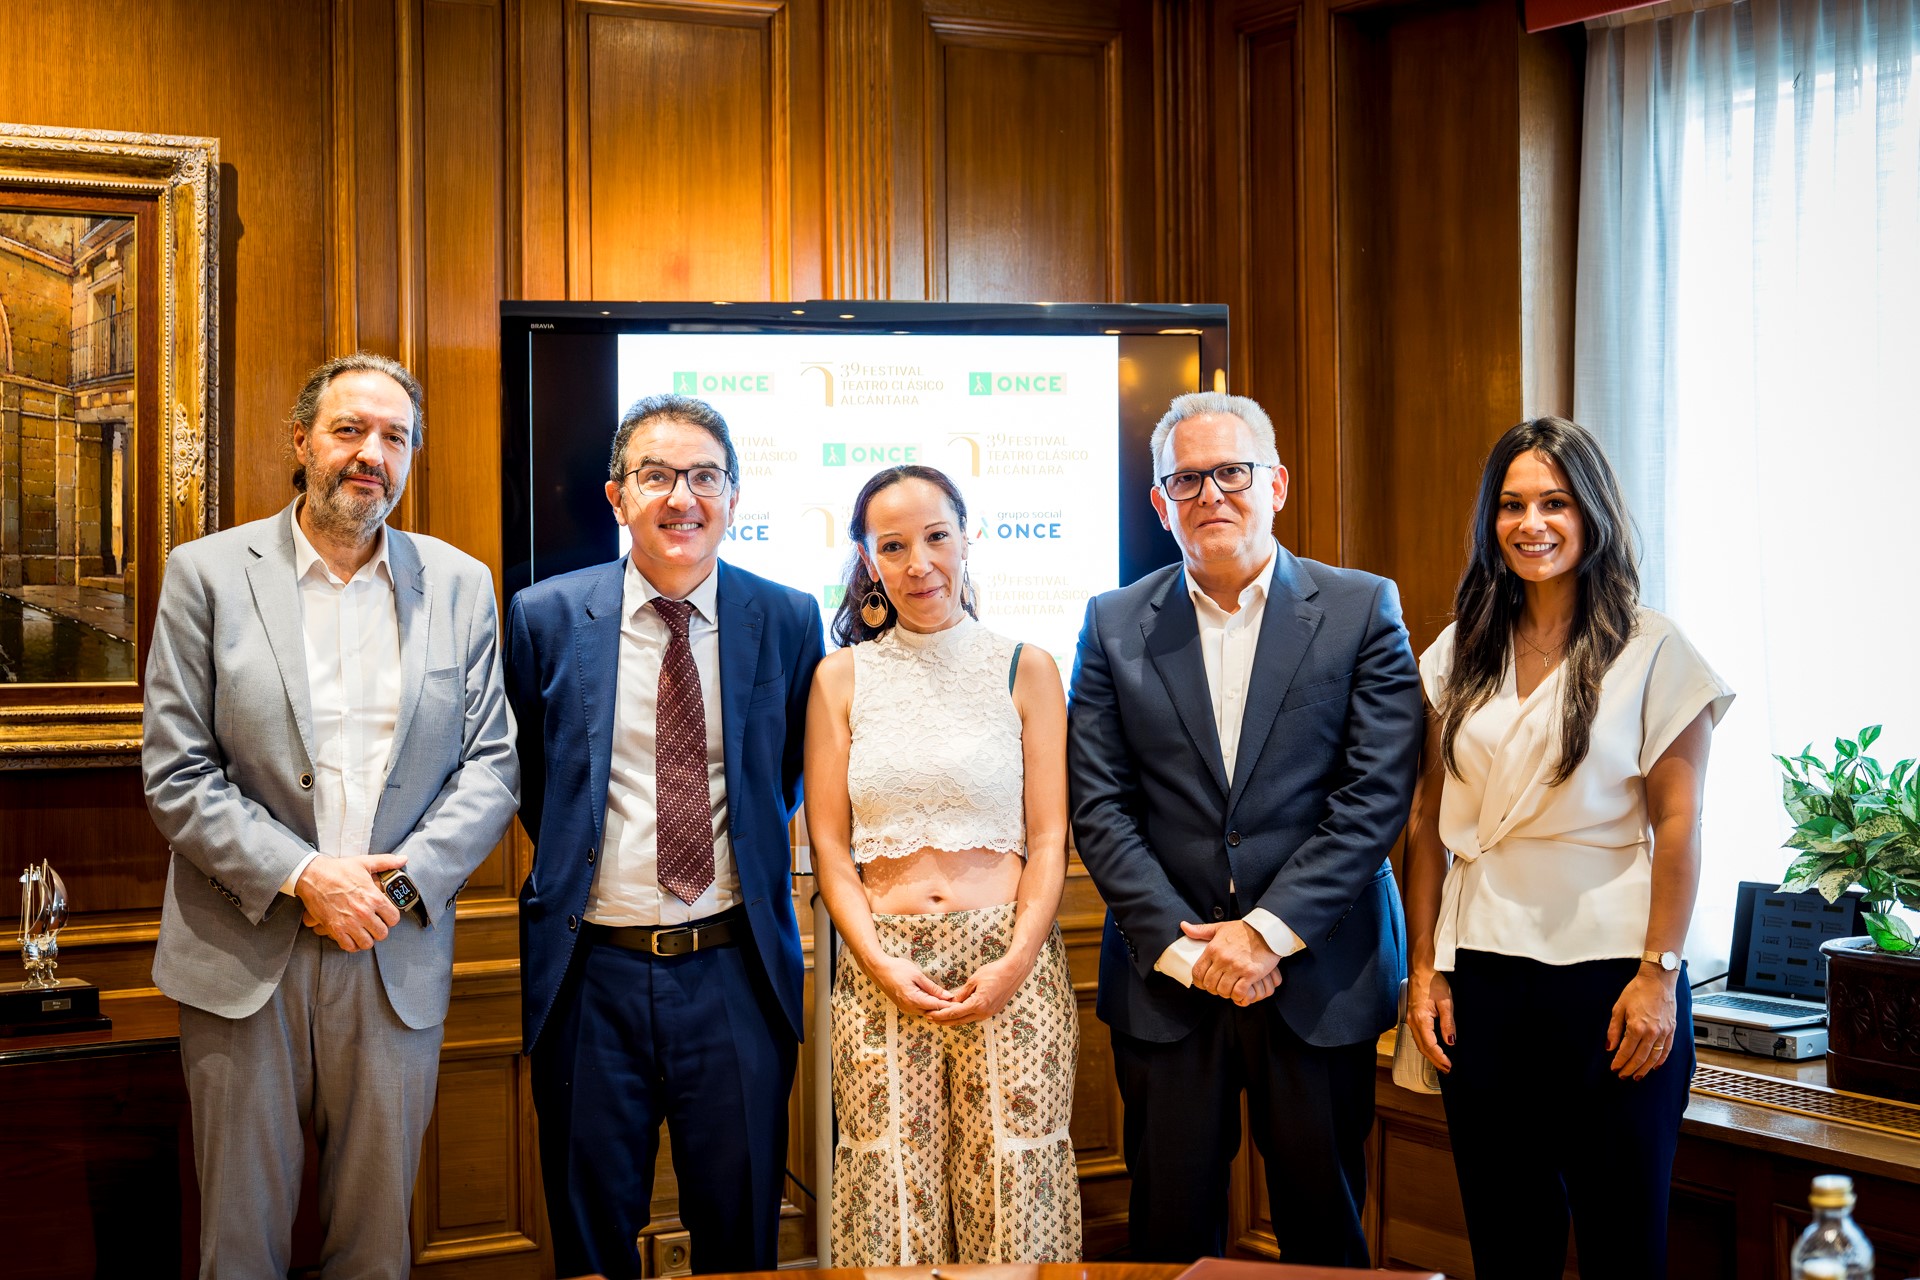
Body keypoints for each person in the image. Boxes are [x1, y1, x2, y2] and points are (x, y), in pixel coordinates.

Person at [143, 352, 520, 1278]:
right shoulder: (207, 574)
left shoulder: (460, 583)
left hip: (392, 949)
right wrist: (306, 876)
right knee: (239, 1246)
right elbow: (176, 771)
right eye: (350, 430)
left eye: (395, 437)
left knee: (376, 1247)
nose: (371, 455)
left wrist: (399, 886)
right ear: (302, 442)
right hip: (243, 953)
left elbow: (492, 766)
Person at [1067, 391, 1421, 1265]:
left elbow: (1374, 795)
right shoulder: (1113, 623)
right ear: (1161, 504)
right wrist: (1187, 950)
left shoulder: (1361, 607)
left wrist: (1264, 934)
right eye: (1186, 480)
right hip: (1168, 980)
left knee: (1323, 1231)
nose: (1210, 495)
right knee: (1167, 1232)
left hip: (1318, 973)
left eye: (1232, 472)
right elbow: (1099, 805)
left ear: (1277, 485)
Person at [1403, 416, 1731, 1279]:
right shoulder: (1459, 649)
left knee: (1624, 1247)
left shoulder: (1655, 649)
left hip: (1614, 980)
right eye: (1511, 505)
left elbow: (1681, 824)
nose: (1532, 524)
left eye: (1554, 502)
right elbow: (1428, 820)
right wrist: (1425, 971)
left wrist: (1660, 974)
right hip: (1484, 977)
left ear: (1592, 513)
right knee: (1508, 1246)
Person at [505, 394, 824, 1279]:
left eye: (705, 477)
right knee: (590, 1239)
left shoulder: (786, 617)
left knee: (741, 1236)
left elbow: (786, 774)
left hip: (734, 968)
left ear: (734, 497)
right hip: (590, 975)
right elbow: (533, 777)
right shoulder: (544, 616)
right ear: (618, 496)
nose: (683, 497)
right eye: (657, 476)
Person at [805, 465, 1081, 1265]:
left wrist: (1016, 960)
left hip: (1009, 961)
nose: (919, 563)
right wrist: (879, 962)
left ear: (967, 538)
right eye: (893, 547)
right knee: (889, 1191)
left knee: (1014, 1188)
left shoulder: (1026, 667)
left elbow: (1050, 839)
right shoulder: (840, 677)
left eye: (936, 537)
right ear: (869, 561)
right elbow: (830, 848)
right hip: (882, 965)